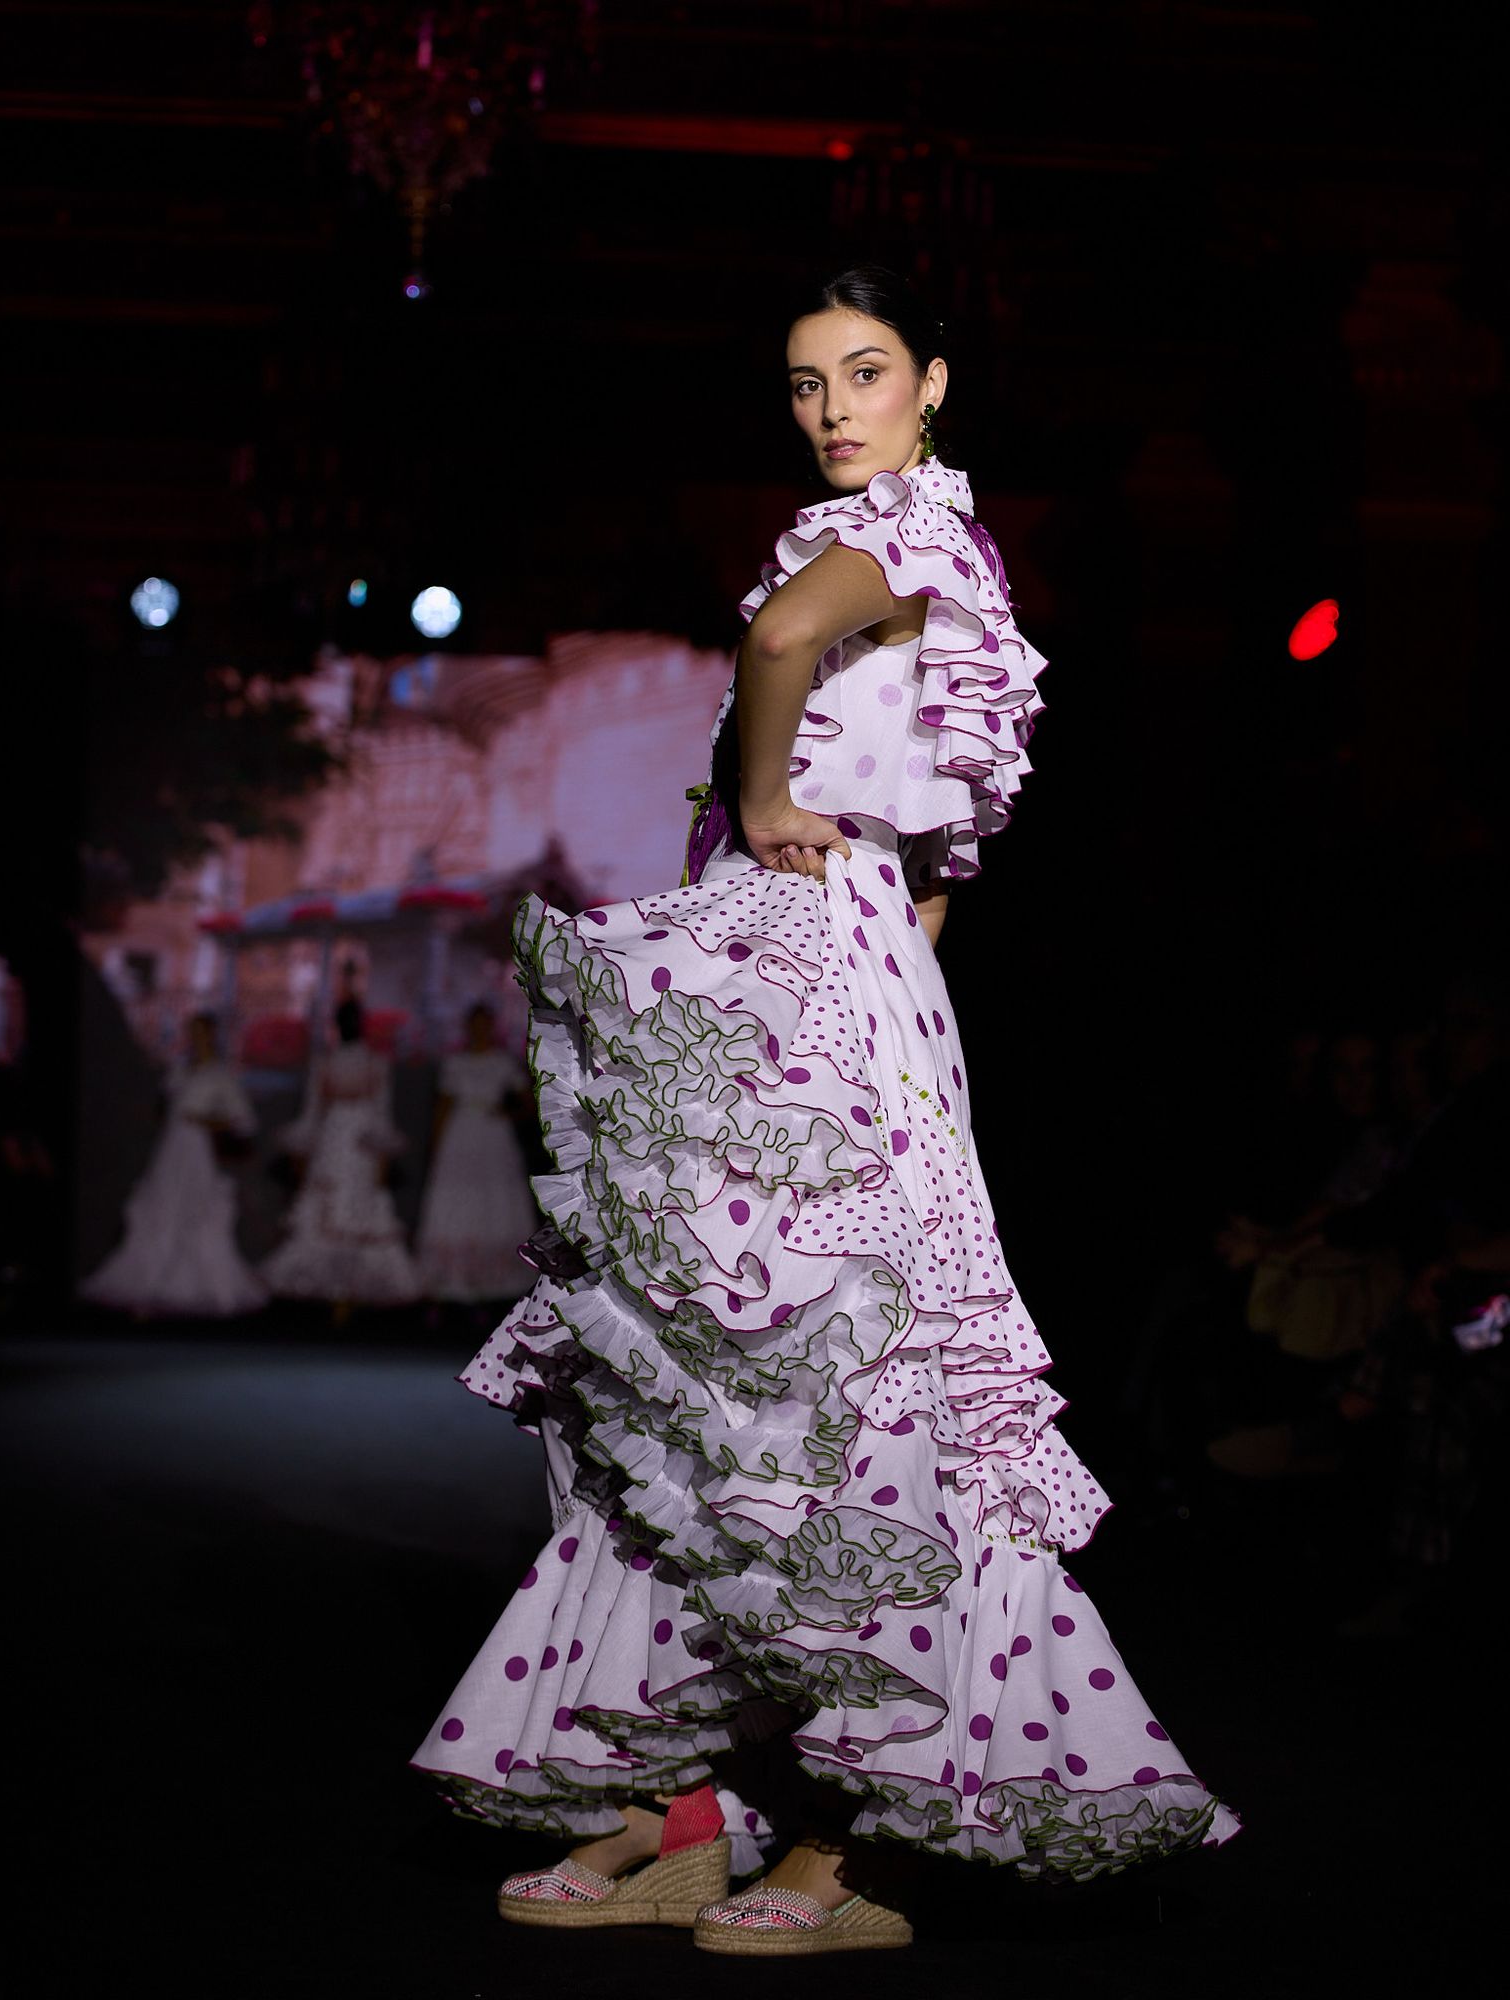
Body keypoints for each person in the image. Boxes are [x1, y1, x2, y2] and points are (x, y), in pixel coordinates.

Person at [411, 266, 1240, 1952]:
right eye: (804, 384)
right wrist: (855, 909)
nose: (833, 406)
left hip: (817, 972)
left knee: (829, 1374)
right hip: (820, 961)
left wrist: (785, 805)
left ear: (931, 380)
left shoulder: (911, 541)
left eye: (864, 373)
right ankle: (689, 1801)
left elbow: (782, 650)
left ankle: (871, 1834)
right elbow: (942, 856)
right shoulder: (909, 553)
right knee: (718, 1376)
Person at [80, 1011, 267, 1318]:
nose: (194, 1039)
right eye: (190, 1032)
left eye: (200, 1032)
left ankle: (202, 1284)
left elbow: (245, 1121)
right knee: (161, 1207)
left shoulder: (219, 1075)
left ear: (210, 1035)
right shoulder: (180, 1070)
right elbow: (165, 1110)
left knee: (196, 1209)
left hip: (197, 1151)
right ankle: (149, 1281)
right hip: (170, 1150)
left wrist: (205, 1121)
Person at [262, 996, 419, 1309]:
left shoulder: (376, 1063)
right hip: (331, 1147)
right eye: (342, 1019)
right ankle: (326, 1292)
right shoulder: (325, 1062)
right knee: (324, 1212)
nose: (347, 1025)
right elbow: (311, 1115)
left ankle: (349, 1295)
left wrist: (382, 1159)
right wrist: (301, 1154)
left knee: (360, 1212)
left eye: (352, 1019)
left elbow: (381, 1115)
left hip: (361, 1150)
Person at [414, 1003, 537, 1308]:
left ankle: (493, 1284)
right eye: (475, 1023)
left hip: (493, 1138)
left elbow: (528, 1102)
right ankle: (449, 1283)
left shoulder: (502, 1062)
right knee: (456, 1199)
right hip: (460, 1136)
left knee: (493, 1198)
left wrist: (508, 1114)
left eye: (485, 1022)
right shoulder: (455, 1063)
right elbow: (442, 1106)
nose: (479, 1028)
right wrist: (434, 1144)